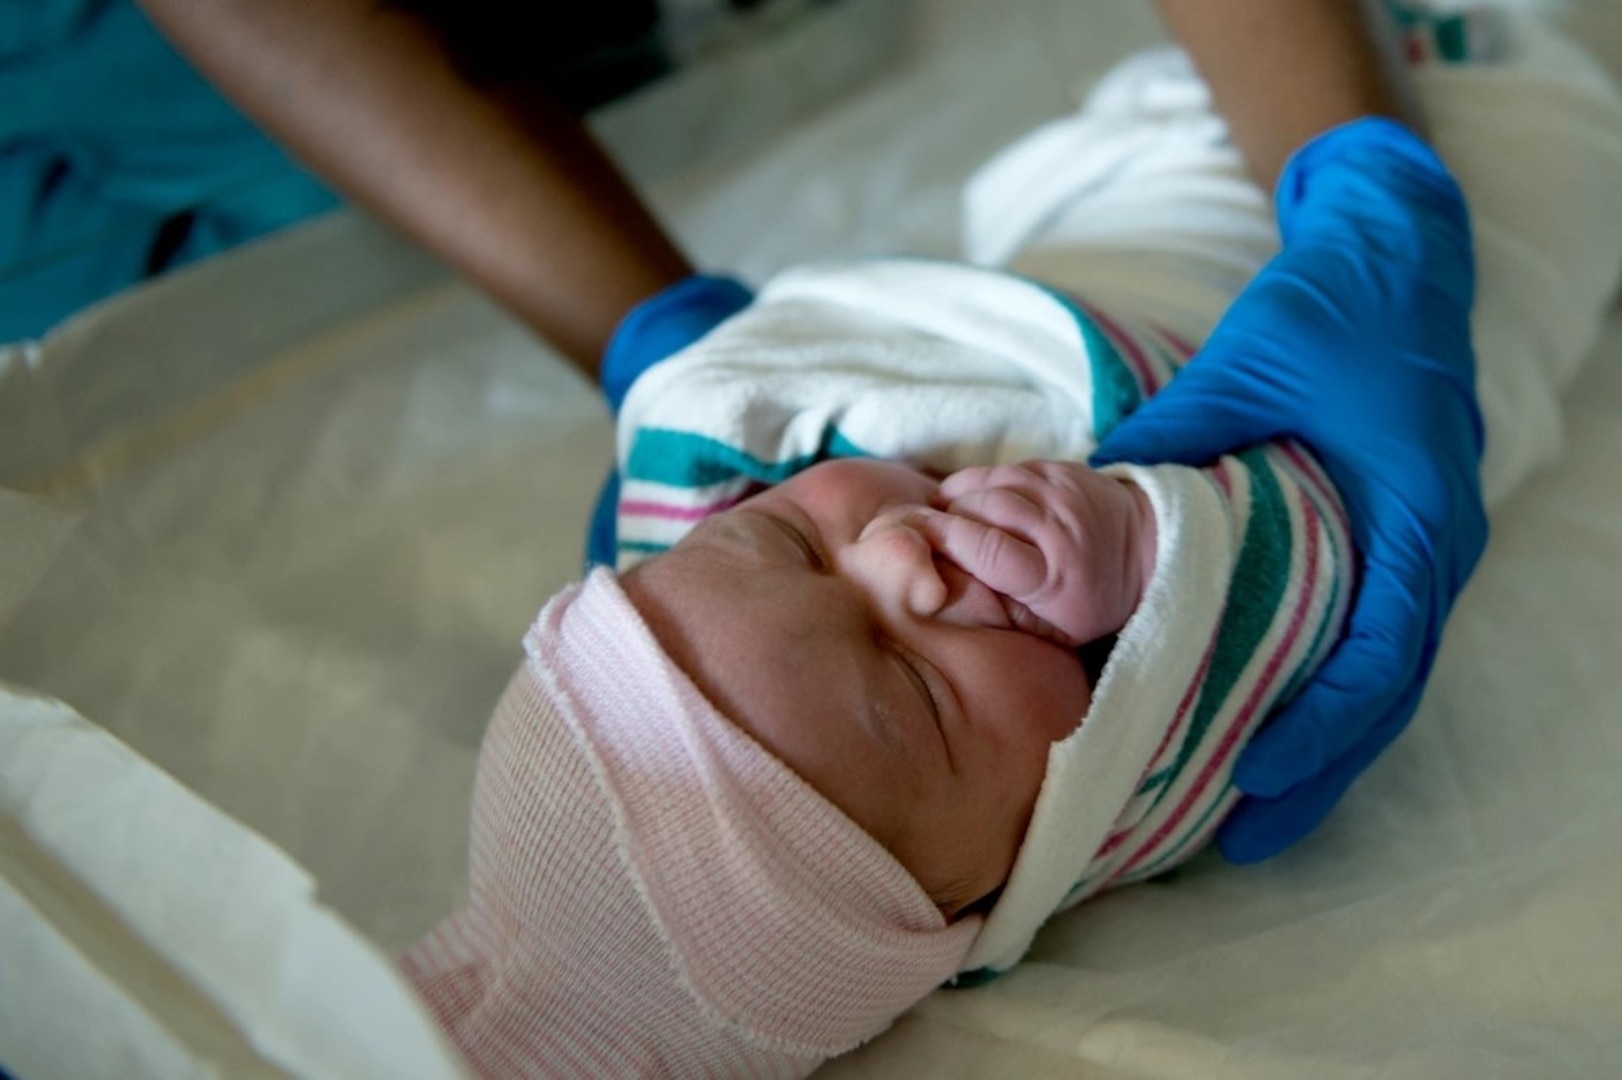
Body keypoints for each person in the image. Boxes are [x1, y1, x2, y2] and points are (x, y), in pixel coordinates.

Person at [401, 6, 1622, 1074]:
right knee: (1548, 180)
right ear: (981, 892)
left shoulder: (708, 572)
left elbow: (700, 434)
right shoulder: (1120, 792)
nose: (895, 552)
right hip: (1409, 279)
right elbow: (1289, 574)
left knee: (1068, 182)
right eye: (920, 689)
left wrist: (704, 390)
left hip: (1134, 203)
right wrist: (1141, 540)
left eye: (787, 545)